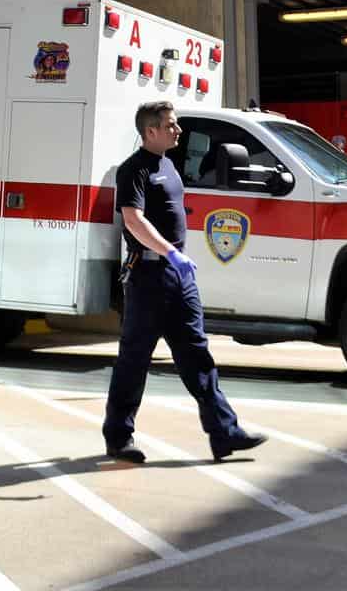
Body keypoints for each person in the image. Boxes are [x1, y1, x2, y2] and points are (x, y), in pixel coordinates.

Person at [101, 100, 266, 464]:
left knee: (197, 354)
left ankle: (224, 433)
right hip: (147, 277)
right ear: (151, 132)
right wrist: (169, 252)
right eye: (171, 125)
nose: (178, 130)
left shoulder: (170, 166)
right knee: (134, 359)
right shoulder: (134, 170)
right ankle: (118, 437)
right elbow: (133, 219)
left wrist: (178, 261)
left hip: (177, 278)